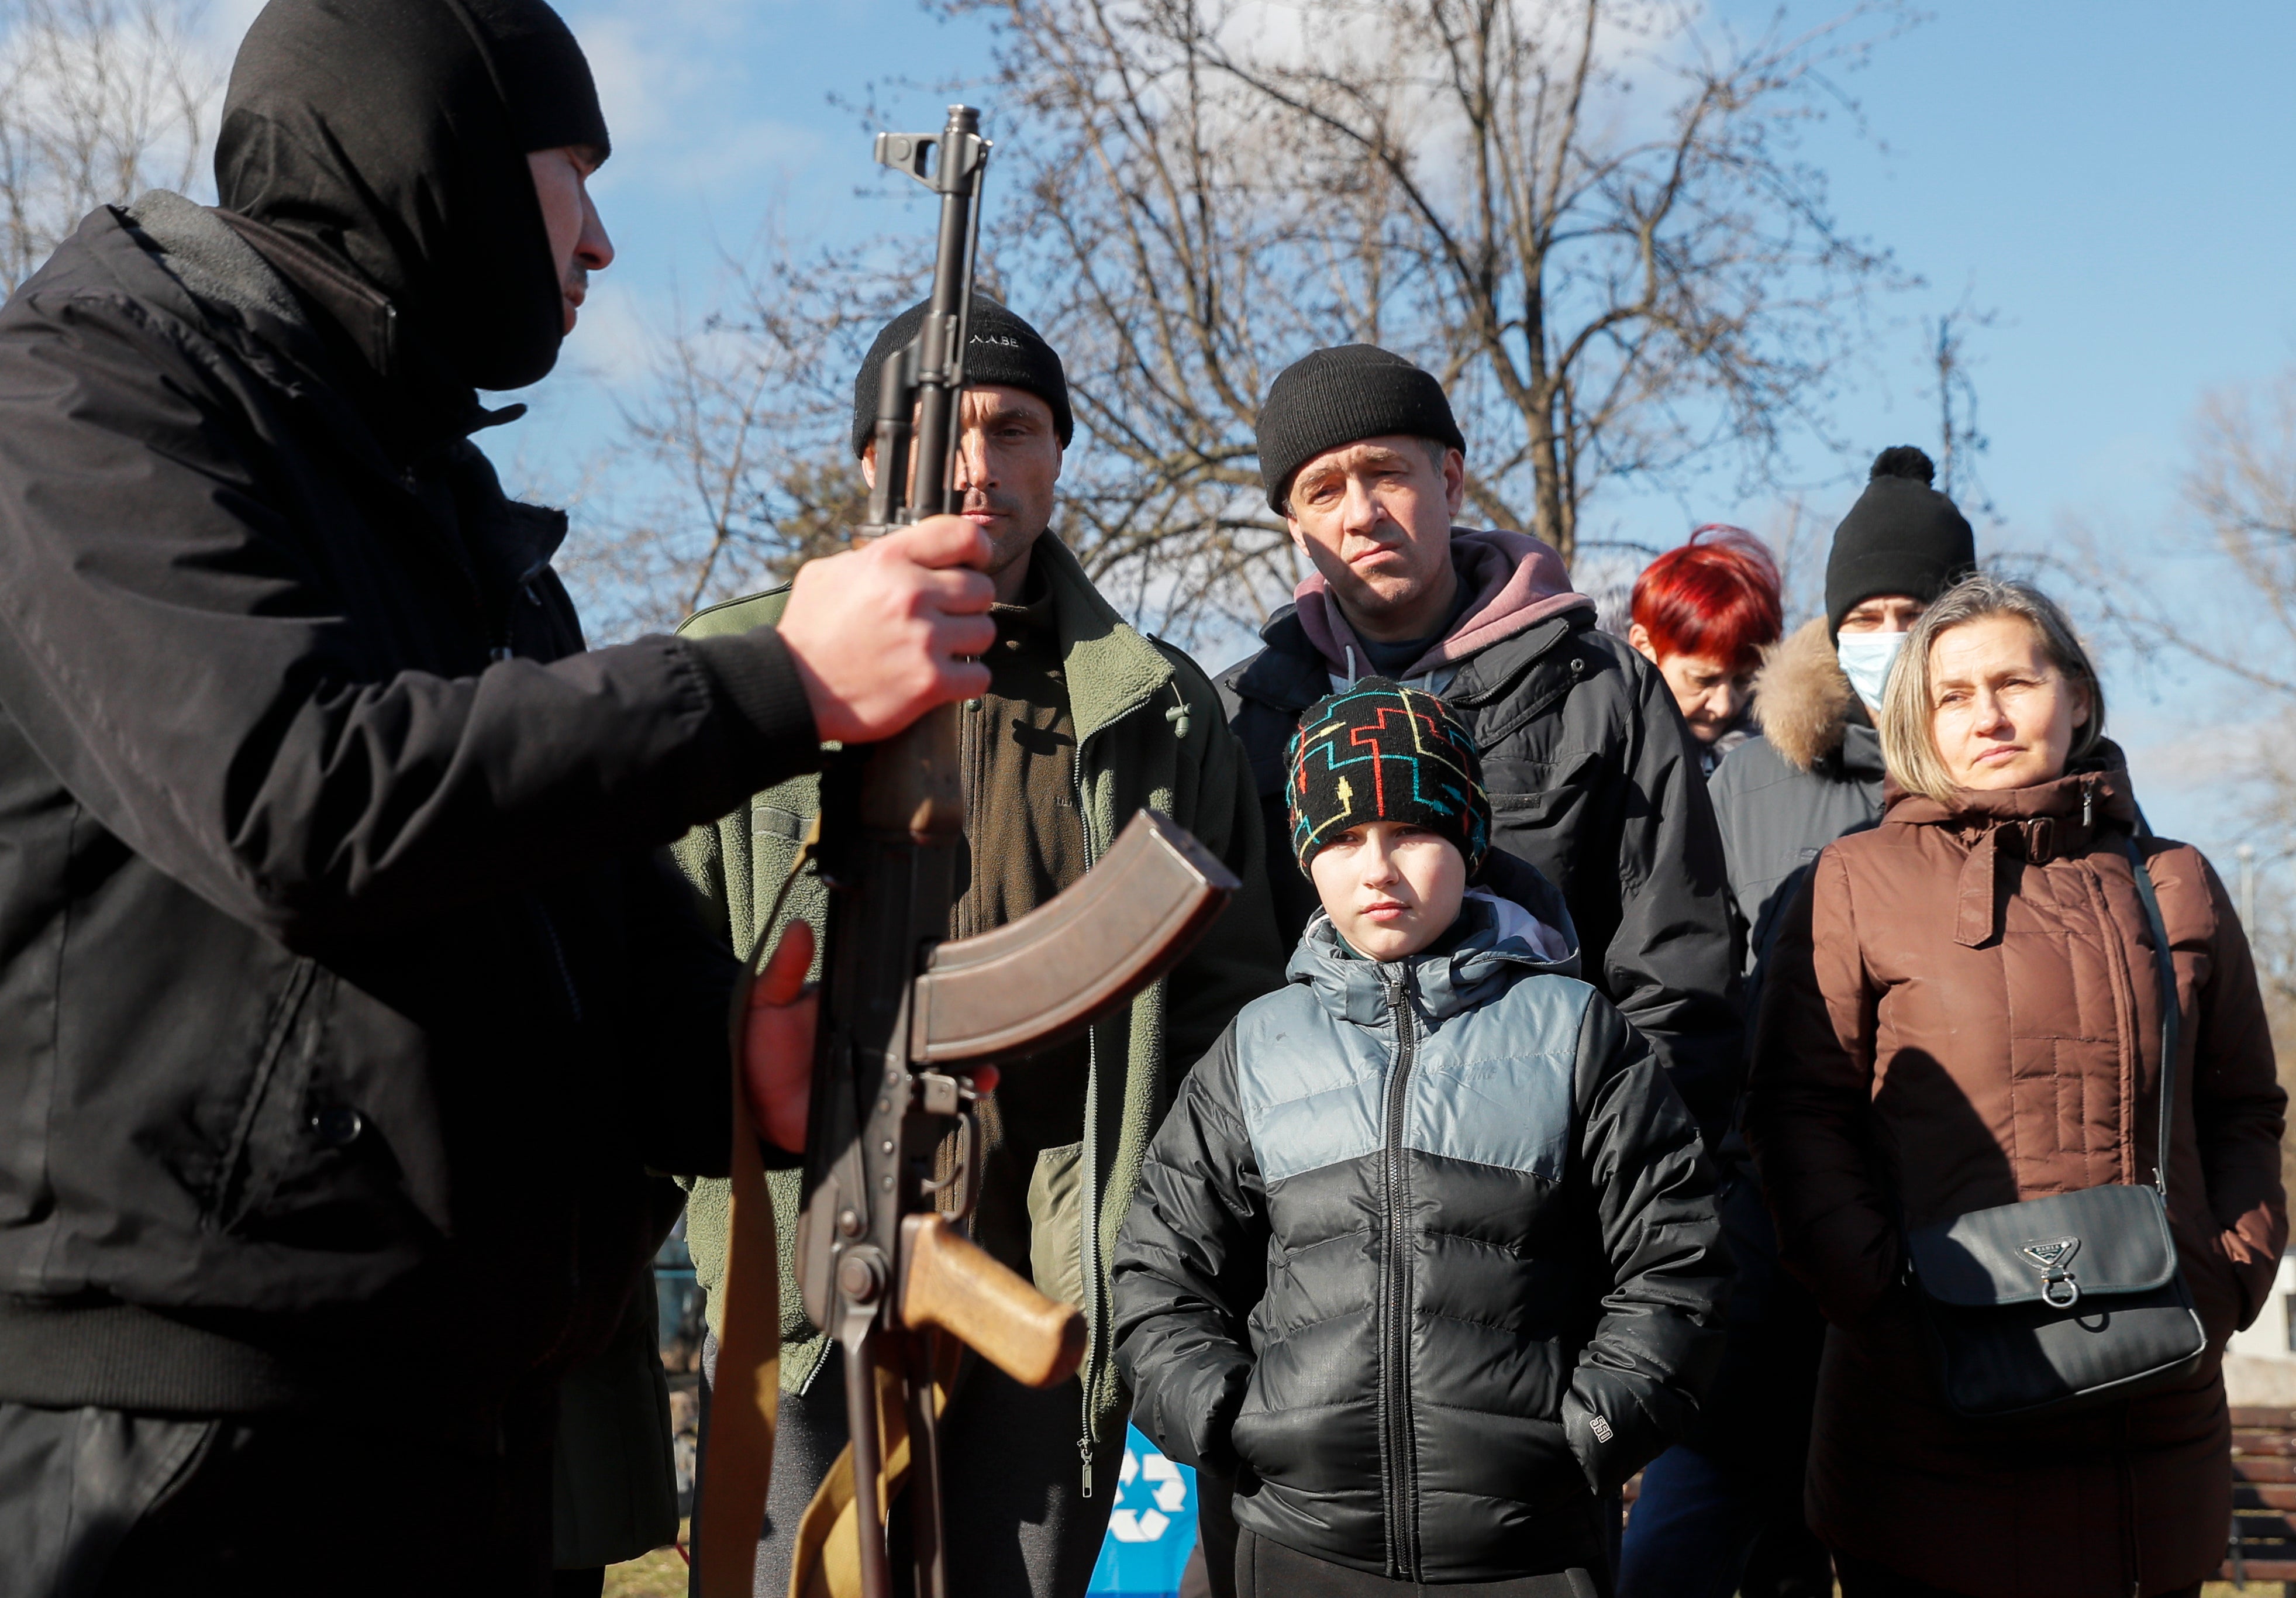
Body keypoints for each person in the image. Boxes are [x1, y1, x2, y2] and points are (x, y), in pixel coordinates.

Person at [0, 1, 1000, 1592]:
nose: (599, 241)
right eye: (570, 174)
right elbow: (296, 794)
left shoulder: (434, 497)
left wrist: (727, 1054)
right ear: (437, 149)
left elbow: (569, 897)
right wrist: (772, 682)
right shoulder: (86, 395)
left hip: (462, 1433)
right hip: (172, 1444)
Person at [672, 295, 1288, 1598]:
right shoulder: (738, 670)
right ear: (864, 462)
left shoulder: (1159, 705)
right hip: (806, 1257)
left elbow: (1229, 1008)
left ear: (1059, 457)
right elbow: (647, 974)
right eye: (935, 432)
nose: (974, 466)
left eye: (1013, 430)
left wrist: (1156, 1247)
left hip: (1046, 1277)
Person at [1111, 680, 1729, 1596]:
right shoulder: (1257, 1049)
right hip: (1293, 1542)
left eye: (1412, 833)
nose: (1378, 869)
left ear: (1469, 841)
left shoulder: (1572, 1032)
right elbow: (1154, 1274)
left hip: (1532, 1546)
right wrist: (1225, 1418)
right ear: (1306, 857)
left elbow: (1677, 1258)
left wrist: (1597, 1427)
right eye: (1344, 839)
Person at [1745, 576, 2287, 1597]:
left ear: (2076, 696)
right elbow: (1795, 1109)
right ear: (1919, 718)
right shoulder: (1855, 880)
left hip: (2151, 1411)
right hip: (1920, 1419)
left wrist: (2228, 1272)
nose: (1986, 713)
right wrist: (1876, 1294)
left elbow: (2243, 1107)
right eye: (1952, 694)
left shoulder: (2178, 879)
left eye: (2013, 680)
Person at [1219, 345, 1742, 1144]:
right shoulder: (1240, 721)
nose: (1360, 513)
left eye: (1385, 473)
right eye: (1323, 491)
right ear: (1295, 528)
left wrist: (1622, 1177)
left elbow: (1676, 978)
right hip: (1314, 1215)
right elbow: (1223, 1004)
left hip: (1564, 1195)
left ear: (1451, 481)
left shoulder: (1597, 689)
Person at [1620, 446, 1977, 1598]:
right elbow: (1684, 995)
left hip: (1961, 1246)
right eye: (1863, 612)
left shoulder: (2020, 782)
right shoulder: (1747, 785)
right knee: (1693, 1543)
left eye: (1912, 611)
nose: (1887, 633)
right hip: (1760, 1240)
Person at [1625, 526, 1783, 773]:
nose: (1724, 707)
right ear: (1645, 649)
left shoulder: (1778, 764)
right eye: (1703, 680)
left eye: (1743, 681)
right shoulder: (1594, 755)